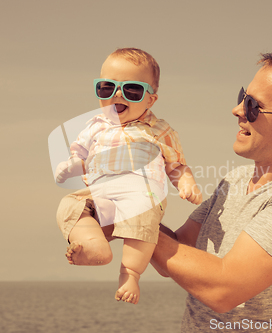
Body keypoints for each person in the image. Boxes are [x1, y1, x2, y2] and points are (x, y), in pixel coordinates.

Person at [151, 52, 272, 332]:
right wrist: (120, 204)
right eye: (243, 96)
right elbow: (178, 253)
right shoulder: (234, 181)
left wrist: (129, 224)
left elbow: (224, 289)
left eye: (254, 105)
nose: (237, 109)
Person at [55, 48, 202, 305]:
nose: (117, 95)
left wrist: (186, 183)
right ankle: (91, 244)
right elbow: (82, 158)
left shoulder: (159, 130)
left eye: (132, 90)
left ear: (150, 100)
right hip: (101, 194)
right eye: (106, 87)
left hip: (139, 193)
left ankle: (130, 273)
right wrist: (71, 167)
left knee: (142, 221)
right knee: (70, 204)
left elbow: (176, 165)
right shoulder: (94, 126)